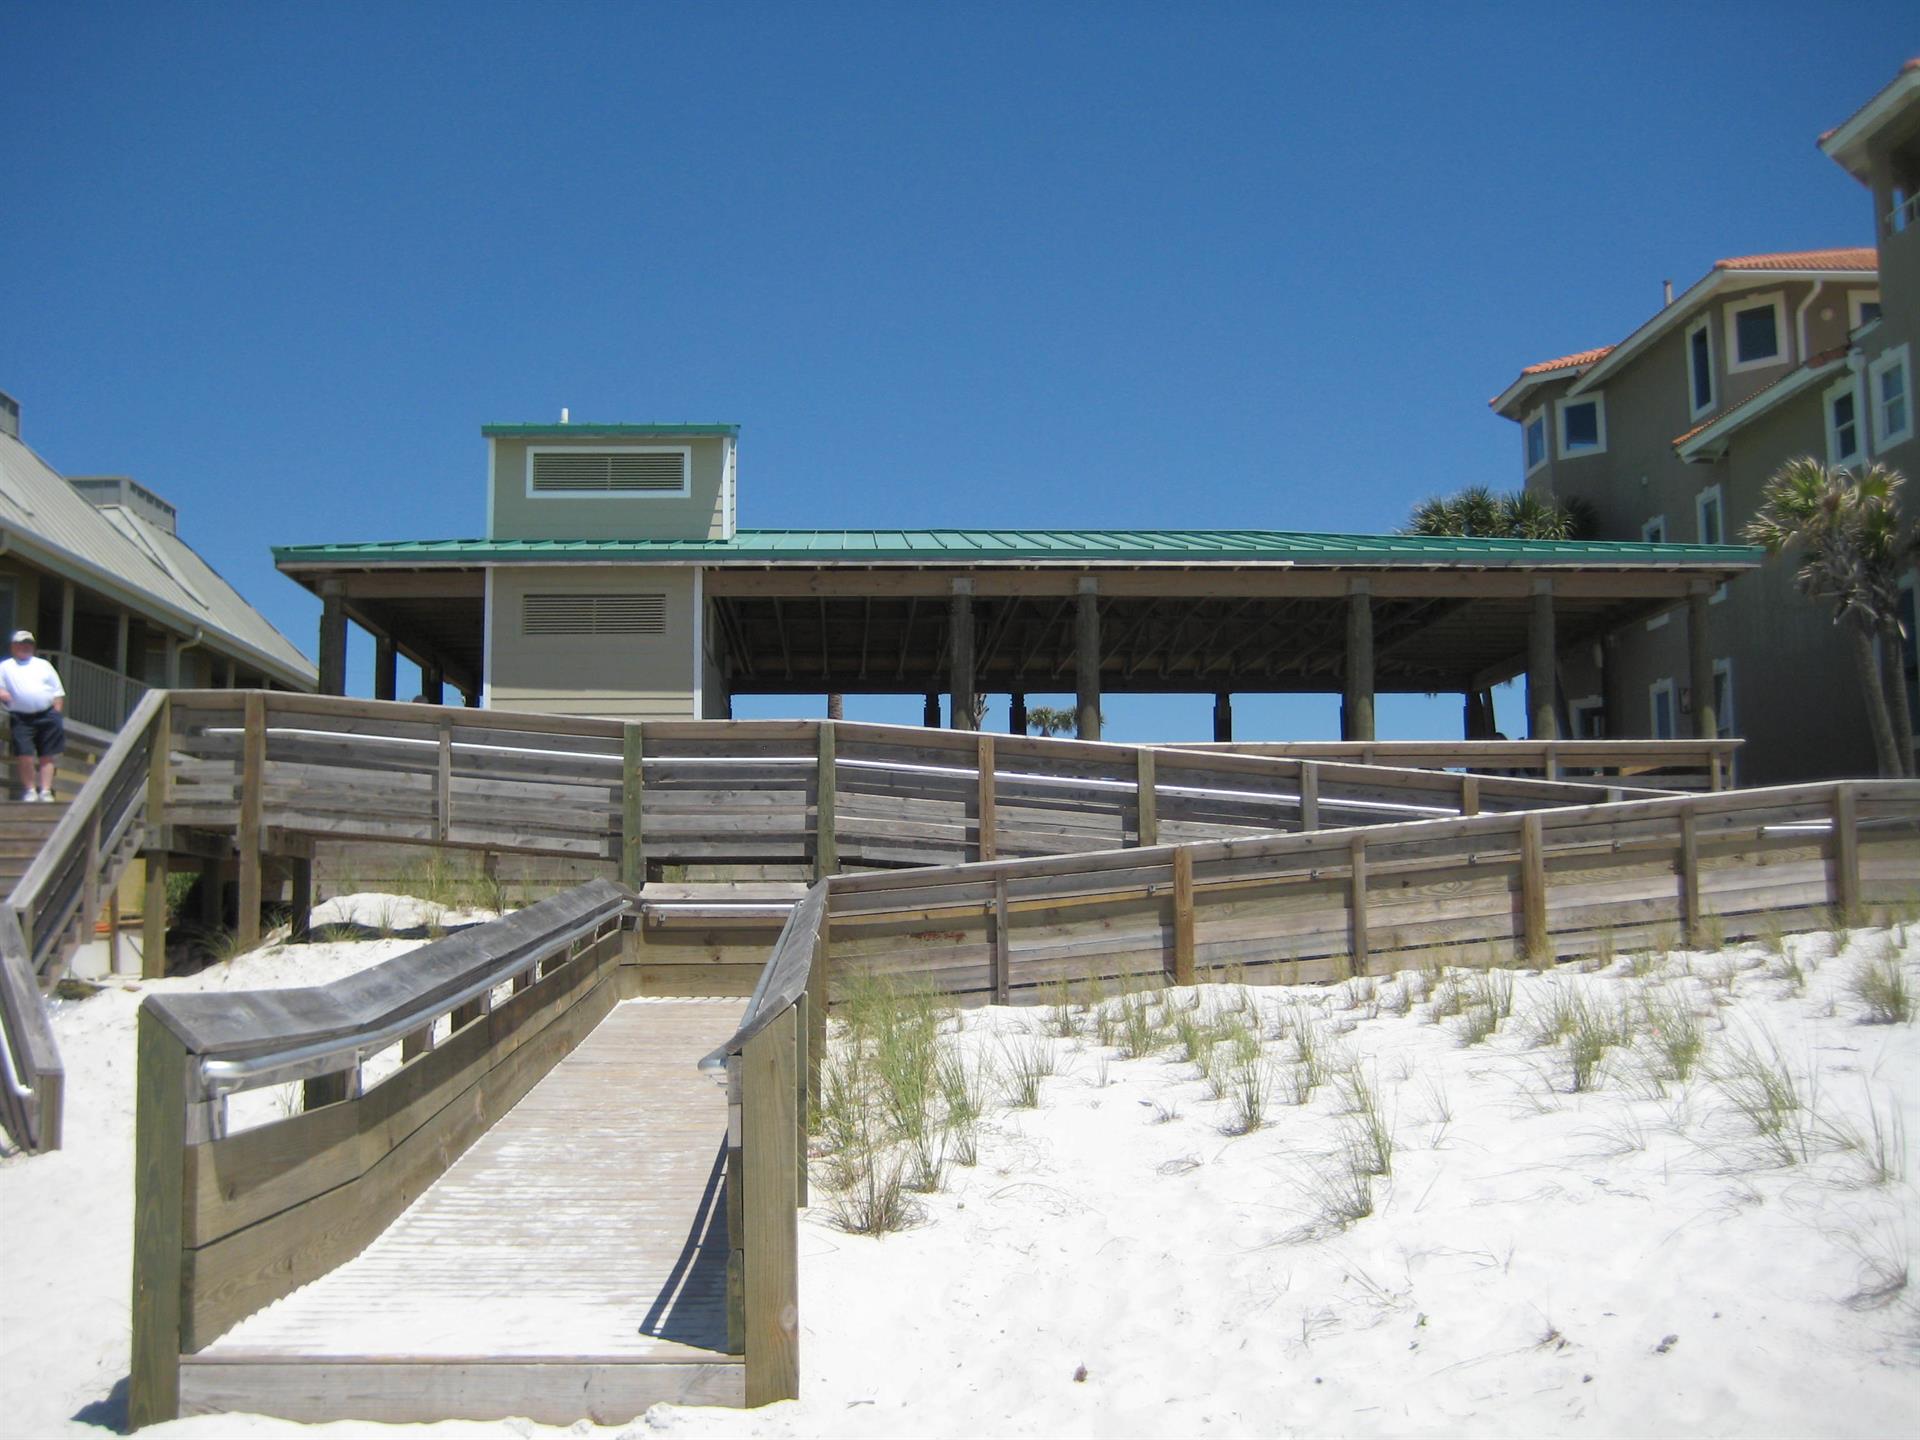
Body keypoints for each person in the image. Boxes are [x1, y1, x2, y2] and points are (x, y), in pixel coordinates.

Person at [0, 630, 66, 802]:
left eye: (29, 644)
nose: (25, 647)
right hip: (21, 717)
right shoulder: (5, 666)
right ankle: (30, 790)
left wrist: (56, 714)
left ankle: (45, 790)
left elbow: (58, 692)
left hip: (47, 715)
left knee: (47, 754)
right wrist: (3, 694)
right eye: (21, 643)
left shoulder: (43, 665)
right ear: (13, 646)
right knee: (25, 754)